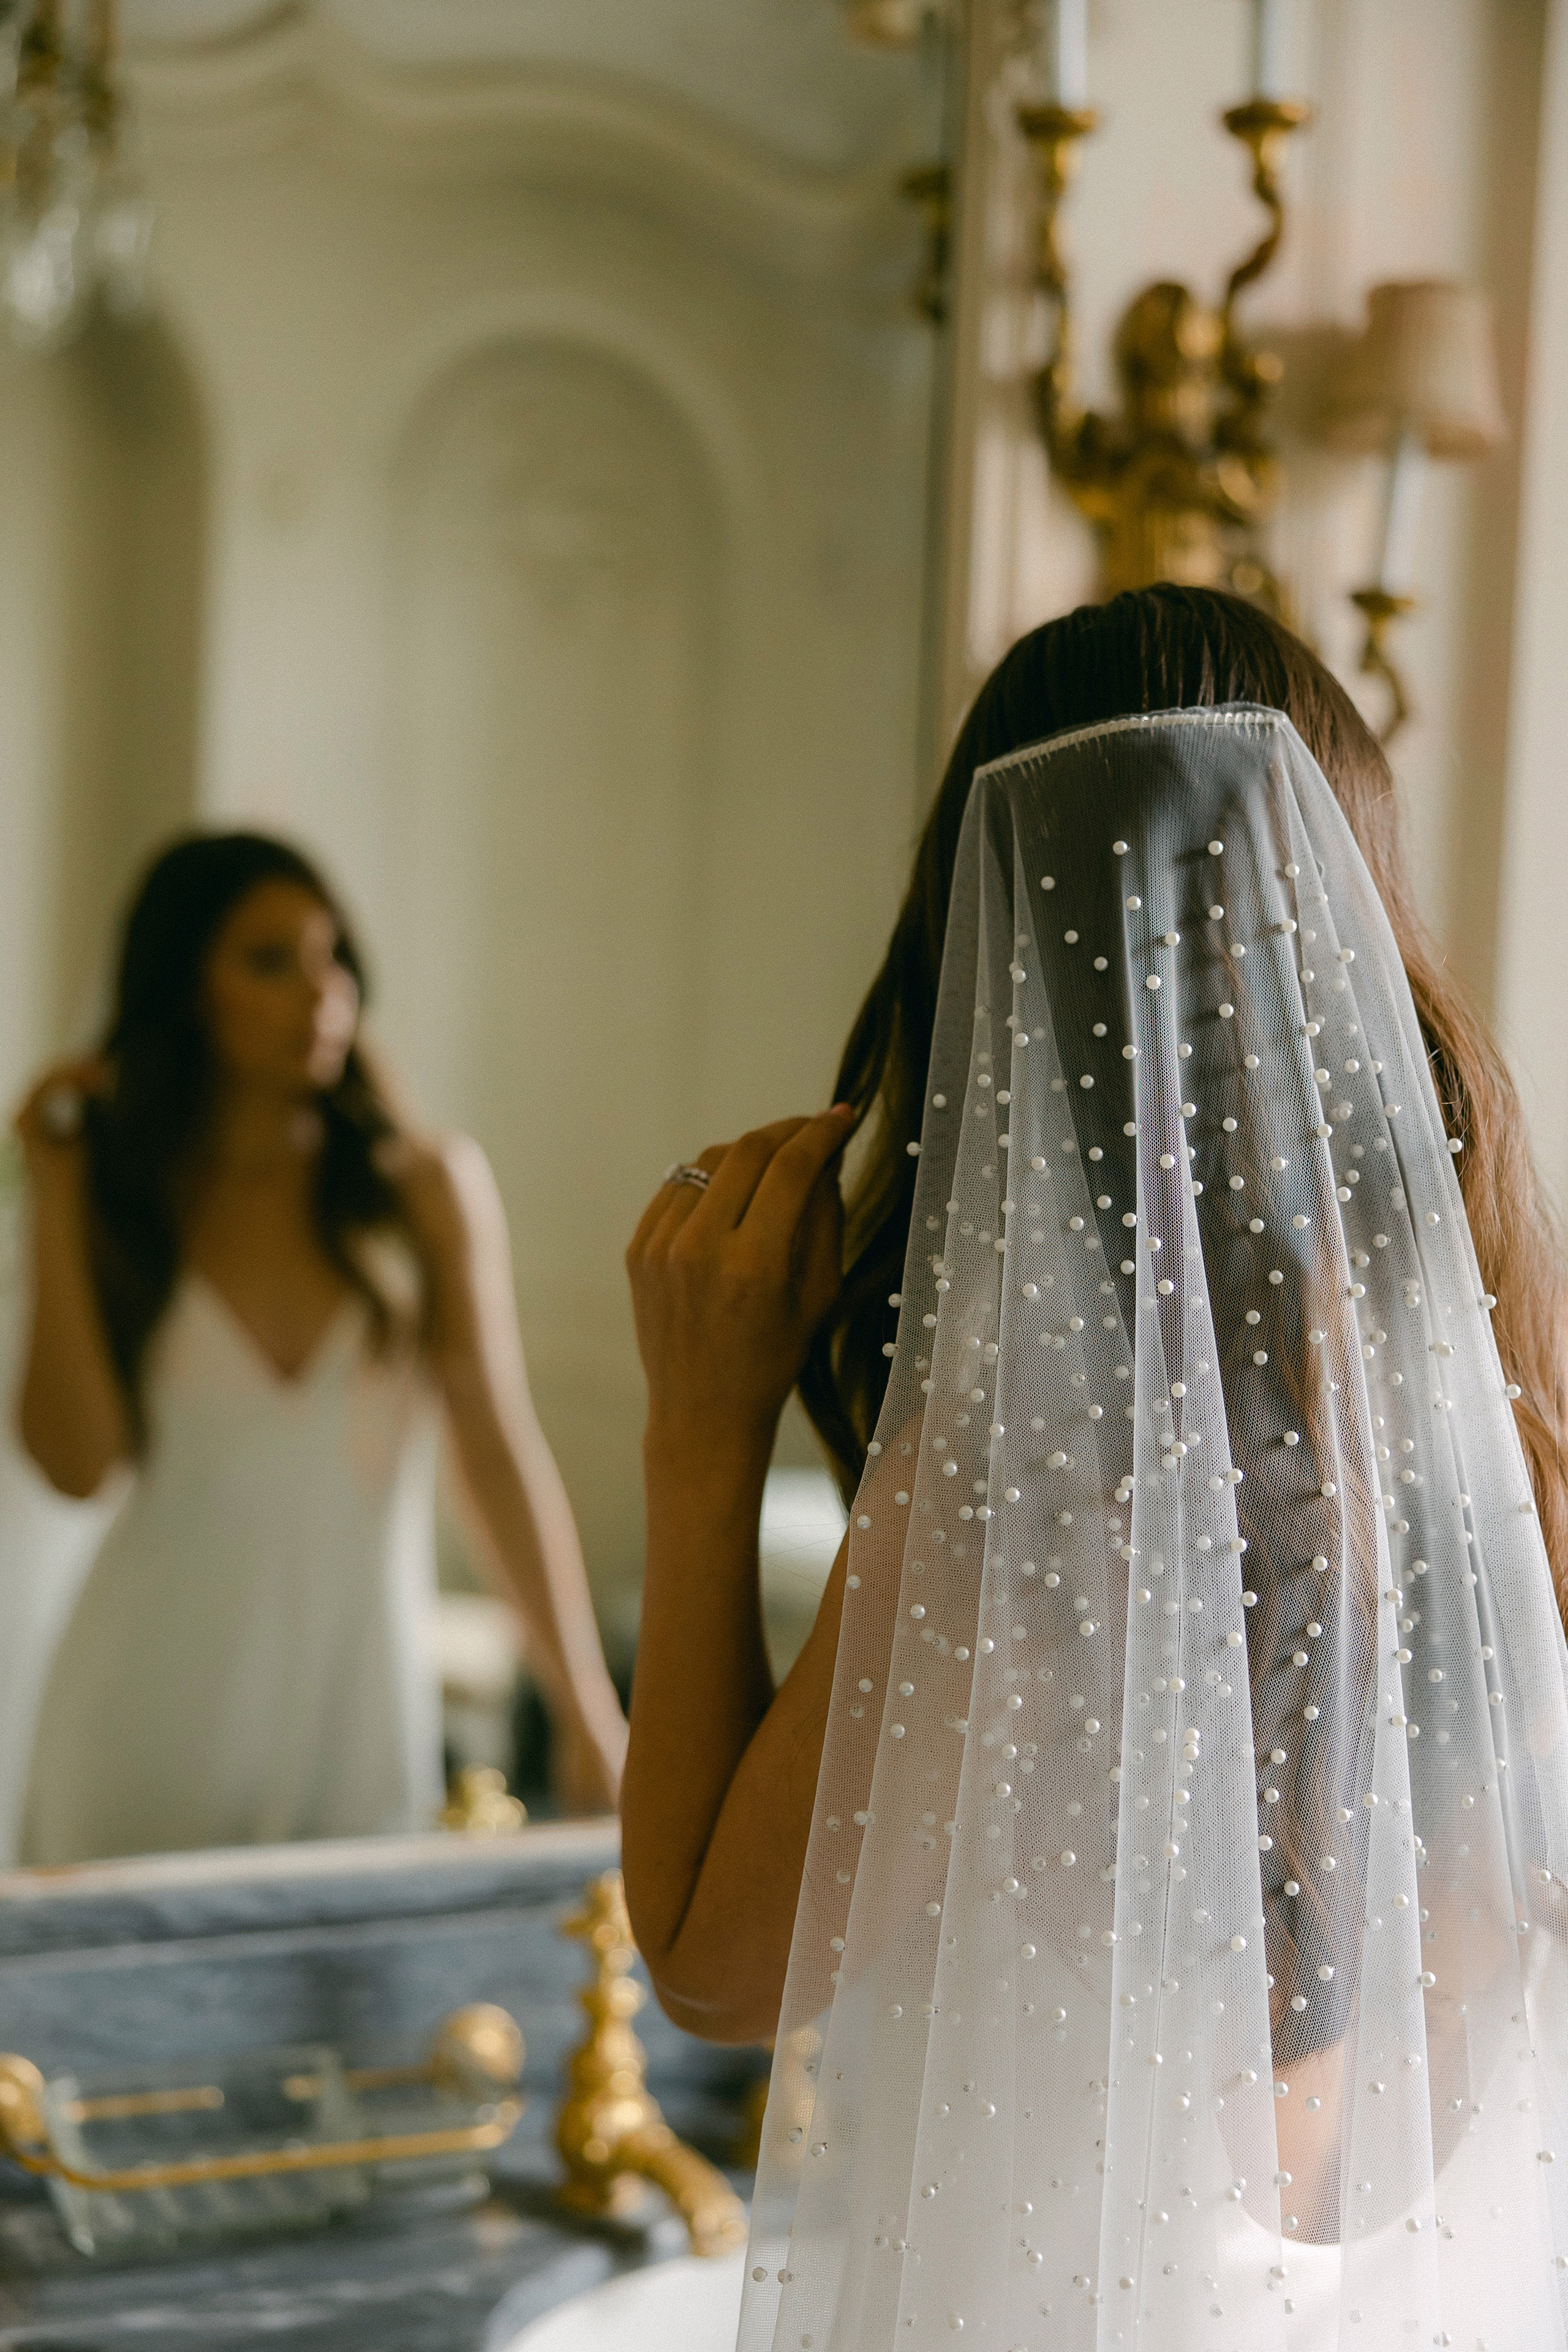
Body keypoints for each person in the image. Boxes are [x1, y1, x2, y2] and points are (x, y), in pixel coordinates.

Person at [623, 586, 1568, 2348]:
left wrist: (701, 1434)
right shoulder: (1498, 1410)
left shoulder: (1030, 1490)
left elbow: (706, 1962)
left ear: (1004, 965)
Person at [15, 831, 625, 1862]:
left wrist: (589, 1712)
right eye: (268, 961)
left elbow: (496, 1452)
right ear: (184, 991)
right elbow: (75, 1467)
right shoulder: (122, 1198)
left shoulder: (420, 1193)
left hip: (354, 1715)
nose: (323, 992)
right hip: (143, 1723)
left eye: (331, 956)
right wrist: (57, 1189)